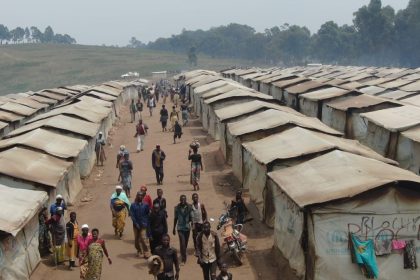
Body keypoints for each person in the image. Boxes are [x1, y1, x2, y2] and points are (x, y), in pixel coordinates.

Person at [130, 192, 151, 258]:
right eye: (138, 195)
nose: (140, 197)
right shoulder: (133, 205)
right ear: (136, 196)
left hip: (143, 224)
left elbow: (148, 214)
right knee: (137, 239)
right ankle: (139, 250)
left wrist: (146, 222)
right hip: (136, 225)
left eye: (141, 195)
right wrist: (136, 223)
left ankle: (147, 252)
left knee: (143, 238)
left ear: (142, 197)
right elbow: (132, 215)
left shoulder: (145, 205)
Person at [173, 195, 192, 264]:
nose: (183, 201)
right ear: (180, 200)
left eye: (184, 199)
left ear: (186, 200)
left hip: (187, 228)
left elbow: (191, 217)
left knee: (185, 244)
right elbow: (175, 218)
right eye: (181, 199)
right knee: (183, 243)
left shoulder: (189, 207)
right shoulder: (177, 208)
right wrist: (173, 228)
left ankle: (182, 252)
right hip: (180, 228)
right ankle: (184, 259)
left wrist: (191, 223)